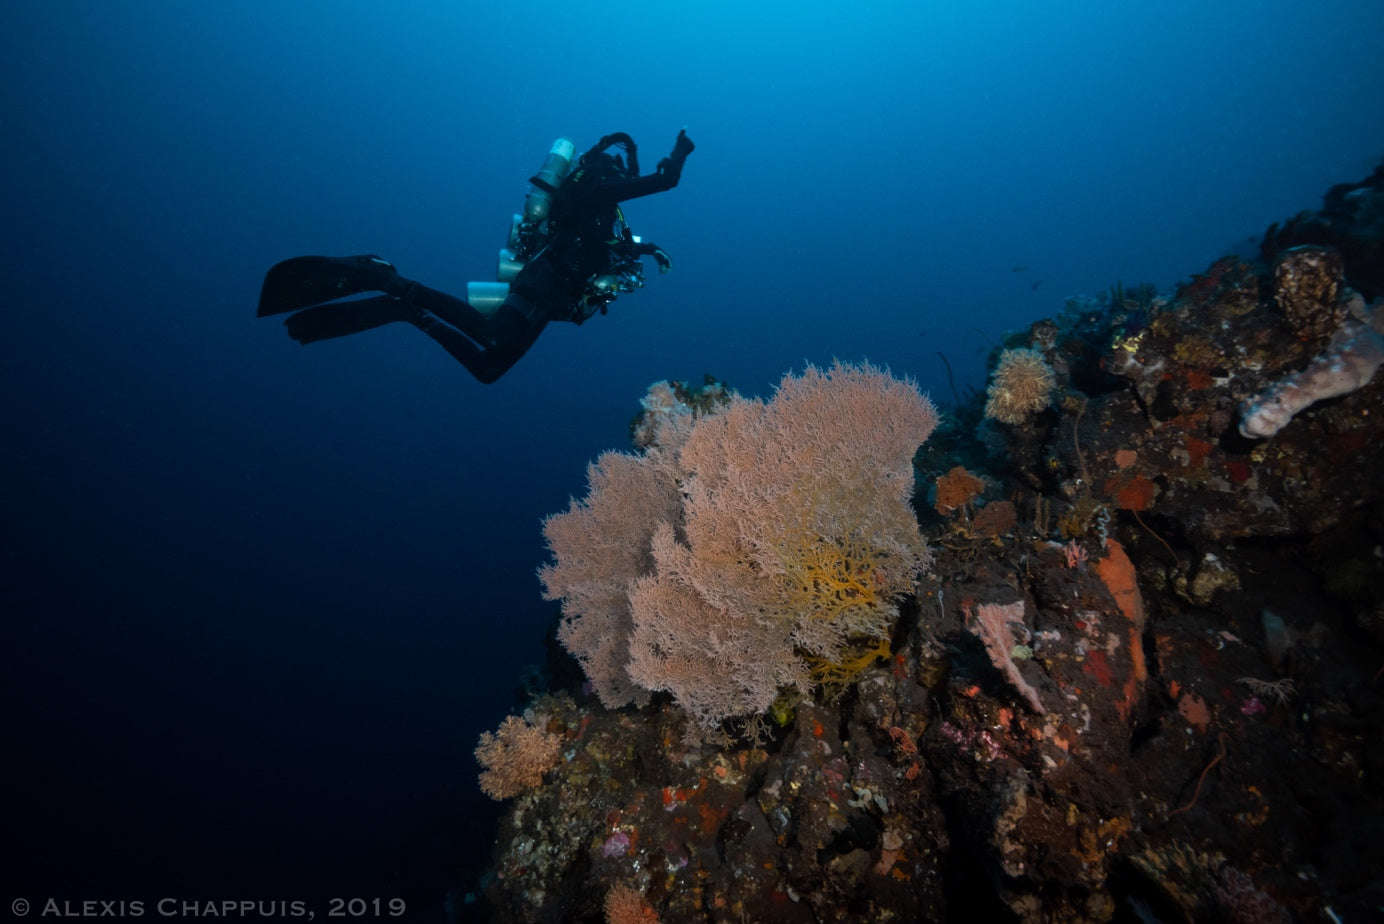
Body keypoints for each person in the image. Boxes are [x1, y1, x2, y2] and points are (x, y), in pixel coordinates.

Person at [257, 129, 695, 383]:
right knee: (489, 335)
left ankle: (408, 311)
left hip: (558, 298)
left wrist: (649, 248)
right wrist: (678, 156)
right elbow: (664, 182)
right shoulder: (596, 194)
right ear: (606, 173)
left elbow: (614, 245)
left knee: (489, 369)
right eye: (620, 172)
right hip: (544, 282)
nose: (622, 178)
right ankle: (393, 285)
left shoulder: (605, 214)